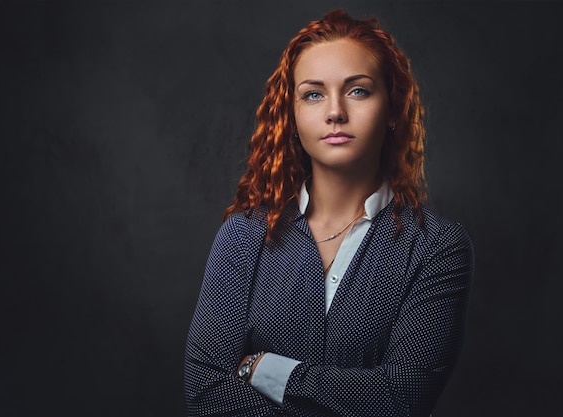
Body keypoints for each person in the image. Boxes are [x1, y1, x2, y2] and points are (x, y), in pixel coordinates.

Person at [183, 9, 474, 417]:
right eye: (313, 94)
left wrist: (272, 371)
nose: (335, 111)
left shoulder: (437, 248)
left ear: (392, 109)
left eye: (358, 91)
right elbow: (206, 389)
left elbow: (401, 399)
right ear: (293, 115)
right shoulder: (244, 235)